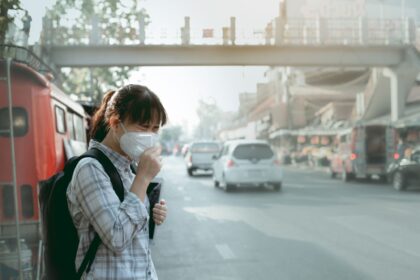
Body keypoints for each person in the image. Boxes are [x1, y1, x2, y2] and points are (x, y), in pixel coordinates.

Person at [67, 84, 168, 279]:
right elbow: (117, 237)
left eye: (155, 129)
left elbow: (134, 233)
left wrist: (152, 212)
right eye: (143, 126)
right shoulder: (90, 168)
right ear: (115, 123)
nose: (150, 135)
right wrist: (144, 177)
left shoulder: (129, 167)